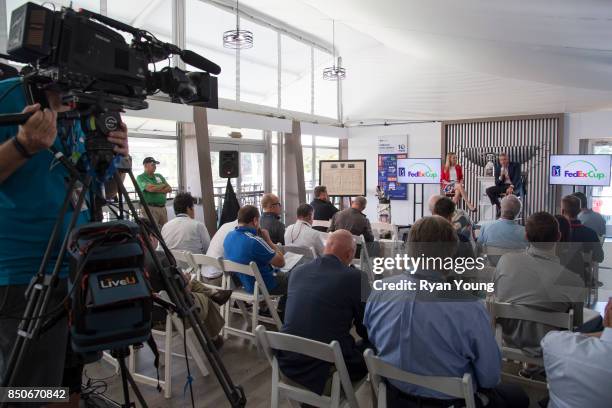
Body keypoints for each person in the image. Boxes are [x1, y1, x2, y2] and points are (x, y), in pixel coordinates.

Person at [0, 77, 129, 403]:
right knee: (29, 394)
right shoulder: (8, 95)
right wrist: (22, 146)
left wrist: (119, 159)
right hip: (23, 277)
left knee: (70, 380)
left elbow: (106, 192)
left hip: (76, 269)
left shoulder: (90, 111)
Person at [365, 217, 529, 408]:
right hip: (452, 402)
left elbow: (373, 337)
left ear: (409, 248)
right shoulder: (470, 307)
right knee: (518, 396)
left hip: (393, 397)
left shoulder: (379, 291)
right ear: (451, 254)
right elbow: (490, 378)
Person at [277, 230, 370, 395]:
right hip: (323, 375)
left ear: (326, 247)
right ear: (350, 254)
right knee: (373, 347)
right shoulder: (357, 278)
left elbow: (287, 314)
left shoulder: (298, 271)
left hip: (286, 366)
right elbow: (366, 328)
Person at [494, 212, 586, 358]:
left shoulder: (505, 261)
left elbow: (496, 294)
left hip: (508, 338)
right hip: (551, 348)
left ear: (526, 236)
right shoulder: (573, 281)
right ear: (558, 237)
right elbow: (577, 325)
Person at [141, 218, 227, 348]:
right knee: (205, 300)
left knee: (191, 283)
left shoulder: (131, 263)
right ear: (151, 237)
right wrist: (186, 282)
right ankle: (214, 340)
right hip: (173, 318)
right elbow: (184, 292)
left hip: (146, 319)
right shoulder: (161, 258)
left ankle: (214, 293)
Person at [541, 299, 612, 408]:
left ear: (608, 309)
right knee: (596, 320)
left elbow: (548, 340)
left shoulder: (555, 344)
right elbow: (577, 319)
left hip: (514, 337)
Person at [223, 205, 287, 299]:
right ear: (255, 220)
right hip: (263, 286)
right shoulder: (254, 241)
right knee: (295, 278)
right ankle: (282, 311)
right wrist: (268, 241)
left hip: (243, 283)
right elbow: (281, 262)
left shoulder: (229, 236)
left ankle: (268, 309)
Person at [561, 195, 604, 282]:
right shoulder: (591, 234)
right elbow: (599, 257)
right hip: (581, 279)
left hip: (557, 277)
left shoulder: (557, 232)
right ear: (580, 211)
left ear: (562, 211)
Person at [136, 156, 172, 227]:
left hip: (163, 208)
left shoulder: (159, 176)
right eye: (153, 164)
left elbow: (169, 188)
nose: (155, 166)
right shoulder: (140, 177)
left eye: (155, 165)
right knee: (152, 232)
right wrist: (162, 185)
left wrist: (155, 187)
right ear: (145, 165)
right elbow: (150, 189)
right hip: (150, 209)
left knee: (165, 231)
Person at [202, 219, 239, 287]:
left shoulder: (225, 225)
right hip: (219, 278)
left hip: (204, 274)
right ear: (254, 221)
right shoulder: (238, 232)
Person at [486, 152, 521, 217]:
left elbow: (517, 178)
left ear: (508, 159)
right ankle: (500, 207)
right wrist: (501, 177)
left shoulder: (516, 165)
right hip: (503, 186)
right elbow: (497, 183)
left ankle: (508, 215)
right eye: (501, 160)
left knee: (508, 195)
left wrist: (511, 186)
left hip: (514, 186)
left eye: (504, 159)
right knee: (488, 190)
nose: (503, 161)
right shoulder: (498, 168)